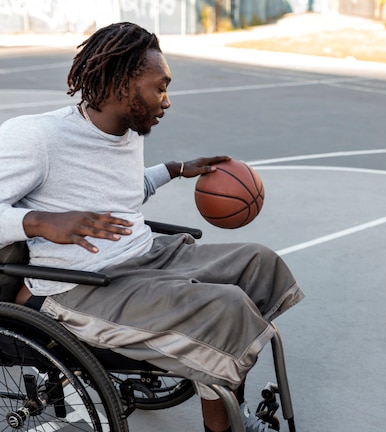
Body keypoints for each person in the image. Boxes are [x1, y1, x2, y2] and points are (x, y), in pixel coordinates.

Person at [0, 22, 304, 432]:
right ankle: (226, 421)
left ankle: (213, 368)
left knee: (259, 263)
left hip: (144, 257)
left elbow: (123, 191)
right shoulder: (38, 136)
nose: (166, 100)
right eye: (159, 87)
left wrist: (175, 170)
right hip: (81, 287)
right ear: (122, 84)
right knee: (226, 307)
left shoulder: (126, 131)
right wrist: (39, 221)